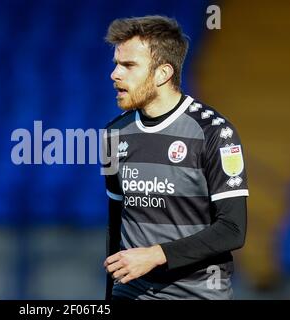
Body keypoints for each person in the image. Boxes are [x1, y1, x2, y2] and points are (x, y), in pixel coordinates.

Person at [102, 15, 248, 300]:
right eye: (116, 64)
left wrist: (157, 255)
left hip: (196, 294)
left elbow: (232, 229)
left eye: (129, 65)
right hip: (131, 293)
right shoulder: (113, 134)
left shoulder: (214, 132)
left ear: (163, 73)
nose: (115, 74)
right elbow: (115, 223)